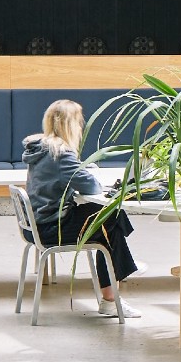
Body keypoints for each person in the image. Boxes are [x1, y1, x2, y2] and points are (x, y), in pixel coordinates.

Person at [23, 99, 139, 318]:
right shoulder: (60, 154)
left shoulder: (41, 149)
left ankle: (119, 275)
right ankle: (116, 284)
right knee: (111, 219)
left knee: (108, 220)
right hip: (52, 227)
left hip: (36, 224)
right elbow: (90, 186)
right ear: (70, 124)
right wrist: (87, 171)